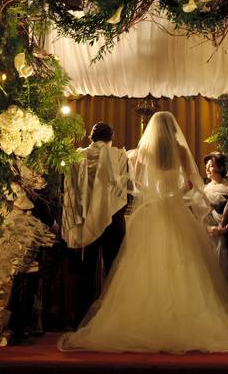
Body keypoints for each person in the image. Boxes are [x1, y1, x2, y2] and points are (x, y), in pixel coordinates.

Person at [58, 111, 228, 354]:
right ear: (172, 130)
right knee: (183, 264)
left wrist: (154, 194)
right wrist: (174, 194)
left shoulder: (140, 153)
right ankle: (185, 318)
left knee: (143, 266)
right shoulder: (179, 151)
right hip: (174, 209)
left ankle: (146, 320)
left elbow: (134, 184)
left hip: (149, 212)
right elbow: (191, 184)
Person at [61, 122, 130, 323]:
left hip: (84, 219)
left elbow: (70, 188)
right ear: (112, 137)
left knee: (85, 272)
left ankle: (80, 318)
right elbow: (125, 186)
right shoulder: (118, 155)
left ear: (91, 137)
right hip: (113, 218)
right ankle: (115, 318)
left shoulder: (77, 156)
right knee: (114, 270)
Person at [202, 152, 228, 263]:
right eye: (206, 167)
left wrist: (227, 227)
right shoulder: (205, 190)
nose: (208, 169)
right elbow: (202, 215)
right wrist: (211, 229)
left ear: (221, 167)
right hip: (212, 233)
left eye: (211, 166)